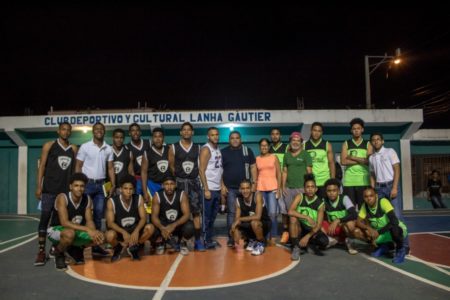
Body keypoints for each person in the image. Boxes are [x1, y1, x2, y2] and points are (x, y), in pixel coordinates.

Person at [34, 122, 78, 266]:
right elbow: (42, 167)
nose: (66, 132)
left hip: (64, 193)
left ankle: (56, 249)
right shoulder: (49, 145)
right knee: (45, 219)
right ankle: (41, 251)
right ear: (58, 131)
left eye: (68, 130)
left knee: (59, 223)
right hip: (49, 190)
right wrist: (38, 186)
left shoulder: (73, 149)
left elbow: (75, 172)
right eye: (63, 129)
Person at [47, 173, 105, 270]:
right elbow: (64, 222)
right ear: (71, 187)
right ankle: (58, 253)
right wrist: (87, 230)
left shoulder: (87, 199)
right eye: (76, 186)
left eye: (82, 186)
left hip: (75, 231)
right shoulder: (63, 197)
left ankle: (76, 249)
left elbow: (89, 221)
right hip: (56, 229)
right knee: (69, 234)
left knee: (101, 237)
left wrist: (94, 233)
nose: (79, 188)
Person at [75, 122, 115, 256]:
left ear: (104, 132)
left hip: (101, 185)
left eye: (101, 129)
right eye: (97, 129)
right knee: (82, 215)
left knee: (98, 215)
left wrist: (113, 184)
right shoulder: (85, 147)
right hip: (87, 185)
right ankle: (78, 246)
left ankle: (96, 247)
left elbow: (110, 168)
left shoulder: (108, 148)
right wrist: (78, 184)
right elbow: (78, 166)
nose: (99, 131)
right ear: (93, 131)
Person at [369, 132, 410, 251]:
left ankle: (405, 245)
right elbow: (372, 174)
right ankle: (388, 243)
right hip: (379, 189)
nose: (376, 141)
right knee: (383, 218)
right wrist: (373, 189)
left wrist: (395, 187)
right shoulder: (371, 158)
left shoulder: (390, 151)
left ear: (382, 141)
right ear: (371, 142)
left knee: (397, 216)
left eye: (378, 139)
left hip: (391, 186)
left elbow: (397, 169)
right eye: (373, 140)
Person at [168, 122, 205, 251]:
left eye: (189, 130)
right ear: (180, 132)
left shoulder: (198, 147)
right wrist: (178, 180)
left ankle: (198, 241)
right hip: (179, 183)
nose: (186, 132)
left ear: (192, 132)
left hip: (194, 183)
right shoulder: (173, 147)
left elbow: (200, 167)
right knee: (179, 213)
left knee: (196, 213)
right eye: (184, 130)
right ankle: (178, 240)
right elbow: (171, 167)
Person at [105, 174, 154, 262]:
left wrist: (136, 231)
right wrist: (123, 232)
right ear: (120, 189)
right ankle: (118, 248)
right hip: (120, 231)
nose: (128, 191)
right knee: (109, 235)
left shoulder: (139, 198)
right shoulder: (112, 201)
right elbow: (110, 223)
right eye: (125, 188)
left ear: (133, 190)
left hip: (134, 230)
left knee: (150, 228)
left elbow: (143, 218)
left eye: (130, 189)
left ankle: (134, 247)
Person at [221, 131, 257, 247]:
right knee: (232, 213)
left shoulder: (248, 151)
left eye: (237, 138)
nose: (235, 140)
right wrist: (222, 185)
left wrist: (254, 183)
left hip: (245, 189)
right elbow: (219, 171)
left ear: (241, 139)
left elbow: (253, 167)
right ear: (229, 140)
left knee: (247, 212)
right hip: (230, 189)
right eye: (232, 138)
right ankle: (231, 237)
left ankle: (247, 237)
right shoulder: (223, 152)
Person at [354, 187, 408, 264]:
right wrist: (368, 228)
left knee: (395, 229)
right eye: (366, 197)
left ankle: (400, 250)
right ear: (363, 198)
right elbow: (358, 222)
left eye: (371, 196)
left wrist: (378, 232)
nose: (369, 198)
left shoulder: (383, 202)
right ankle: (384, 246)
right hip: (381, 233)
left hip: (397, 230)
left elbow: (394, 221)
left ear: (376, 196)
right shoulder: (365, 206)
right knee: (357, 232)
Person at [281, 132, 312, 243]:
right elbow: (284, 172)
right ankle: (291, 236)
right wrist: (283, 186)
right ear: (290, 142)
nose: (295, 142)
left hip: (301, 188)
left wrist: (309, 187)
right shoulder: (286, 155)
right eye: (293, 140)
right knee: (290, 213)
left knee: (300, 213)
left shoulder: (305, 154)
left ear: (301, 143)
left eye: (298, 140)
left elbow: (309, 171)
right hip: (289, 189)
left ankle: (301, 236)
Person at [151, 176, 194, 256]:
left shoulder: (182, 194)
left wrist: (174, 225)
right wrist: (162, 228)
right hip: (163, 226)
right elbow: (154, 217)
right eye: (166, 184)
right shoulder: (157, 196)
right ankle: (161, 242)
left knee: (190, 226)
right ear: (163, 185)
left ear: (175, 185)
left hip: (177, 225)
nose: (169, 187)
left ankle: (182, 242)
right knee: (151, 227)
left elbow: (187, 214)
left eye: (172, 184)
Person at [288, 175, 328, 260]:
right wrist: (306, 217)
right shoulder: (300, 197)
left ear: (316, 189)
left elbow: (318, 225)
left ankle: (308, 243)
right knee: (293, 218)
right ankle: (296, 247)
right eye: (308, 187)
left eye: (312, 187)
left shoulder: (320, 204)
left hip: (311, 228)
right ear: (304, 189)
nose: (310, 189)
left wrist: (308, 236)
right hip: (300, 227)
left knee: (324, 241)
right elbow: (290, 211)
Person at [230, 180, 271, 256]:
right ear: (240, 189)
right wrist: (234, 229)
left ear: (251, 188)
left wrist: (239, 219)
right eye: (243, 188)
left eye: (247, 188)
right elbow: (237, 218)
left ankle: (260, 243)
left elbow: (258, 216)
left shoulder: (257, 196)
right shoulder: (238, 200)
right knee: (234, 229)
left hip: (263, 224)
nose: (245, 191)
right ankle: (251, 240)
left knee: (254, 222)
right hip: (249, 225)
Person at [199, 127, 224, 249]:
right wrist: (206, 189)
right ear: (208, 136)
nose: (215, 136)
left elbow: (219, 170)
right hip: (209, 188)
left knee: (213, 217)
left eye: (217, 134)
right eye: (212, 135)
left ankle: (208, 239)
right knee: (206, 217)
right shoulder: (206, 149)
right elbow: (201, 170)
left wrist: (222, 185)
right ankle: (203, 241)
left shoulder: (217, 149)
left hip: (217, 188)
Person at [341, 118, 373, 209]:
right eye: (354, 129)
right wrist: (361, 160)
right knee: (350, 208)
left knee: (364, 208)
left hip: (364, 181)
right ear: (351, 130)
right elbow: (343, 161)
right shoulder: (346, 144)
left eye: (358, 128)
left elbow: (368, 161)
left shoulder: (368, 144)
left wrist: (352, 157)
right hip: (349, 181)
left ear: (362, 129)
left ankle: (363, 224)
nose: (356, 131)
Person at [255, 138, 281, 245]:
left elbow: (279, 173)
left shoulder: (274, 157)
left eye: (266, 145)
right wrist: (256, 190)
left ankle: (273, 235)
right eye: (262, 145)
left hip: (273, 189)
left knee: (272, 214)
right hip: (260, 189)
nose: (264, 147)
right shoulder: (257, 159)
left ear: (269, 146)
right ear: (259, 147)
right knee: (262, 215)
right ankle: (264, 235)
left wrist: (279, 189)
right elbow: (256, 175)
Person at [322, 178, 358, 254]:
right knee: (318, 223)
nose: (331, 193)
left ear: (338, 191)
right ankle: (336, 239)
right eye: (329, 191)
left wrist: (338, 220)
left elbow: (354, 214)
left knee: (349, 224)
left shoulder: (344, 198)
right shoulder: (324, 201)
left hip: (343, 227)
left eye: (334, 190)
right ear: (326, 192)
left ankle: (349, 243)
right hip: (332, 228)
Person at [141, 127, 171, 214]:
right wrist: (145, 191)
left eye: (160, 136)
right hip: (152, 185)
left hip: (167, 185)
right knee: (153, 211)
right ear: (152, 138)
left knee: (167, 210)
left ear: (163, 138)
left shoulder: (169, 150)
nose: (157, 139)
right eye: (155, 137)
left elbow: (173, 168)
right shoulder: (147, 153)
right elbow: (143, 172)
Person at [304, 122, 336, 199]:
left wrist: (332, 180)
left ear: (321, 132)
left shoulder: (327, 144)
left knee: (325, 206)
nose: (316, 133)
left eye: (319, 131)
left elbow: (331, 163)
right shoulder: (304, 145)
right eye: (315, 130)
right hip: (311, 182)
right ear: (311, 131)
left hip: (325, 181)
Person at [269, 128, 289, 242]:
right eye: (273, 134)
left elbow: (287, 166)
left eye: (277, 134)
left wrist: (284, 184)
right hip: (271, 183)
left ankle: (285, 232)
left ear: (280, 136)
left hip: (283, 183)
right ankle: (273, 231)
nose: (275, 136)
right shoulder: (269, 148)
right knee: (273, 210)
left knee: (284, 210)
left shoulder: (286, 147)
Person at [128, 123, 151, 196]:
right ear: (129, 133)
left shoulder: (149, 143)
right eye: (133, 130)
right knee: (138, 201)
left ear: (140, 132)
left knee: (151, 202)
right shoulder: (127, 147)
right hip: (137, 179)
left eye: (137, 130)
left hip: (150, 178)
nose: (135, 132)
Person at [111, 128, 134, 194]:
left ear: (124, 139)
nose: (119, 140)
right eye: (117, 137)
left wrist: (133, 186)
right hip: (110, 186)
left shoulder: (128, 152)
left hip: (123, 187)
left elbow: (131, 172)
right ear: (113, 138)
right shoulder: (107, 151)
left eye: (121, 138)